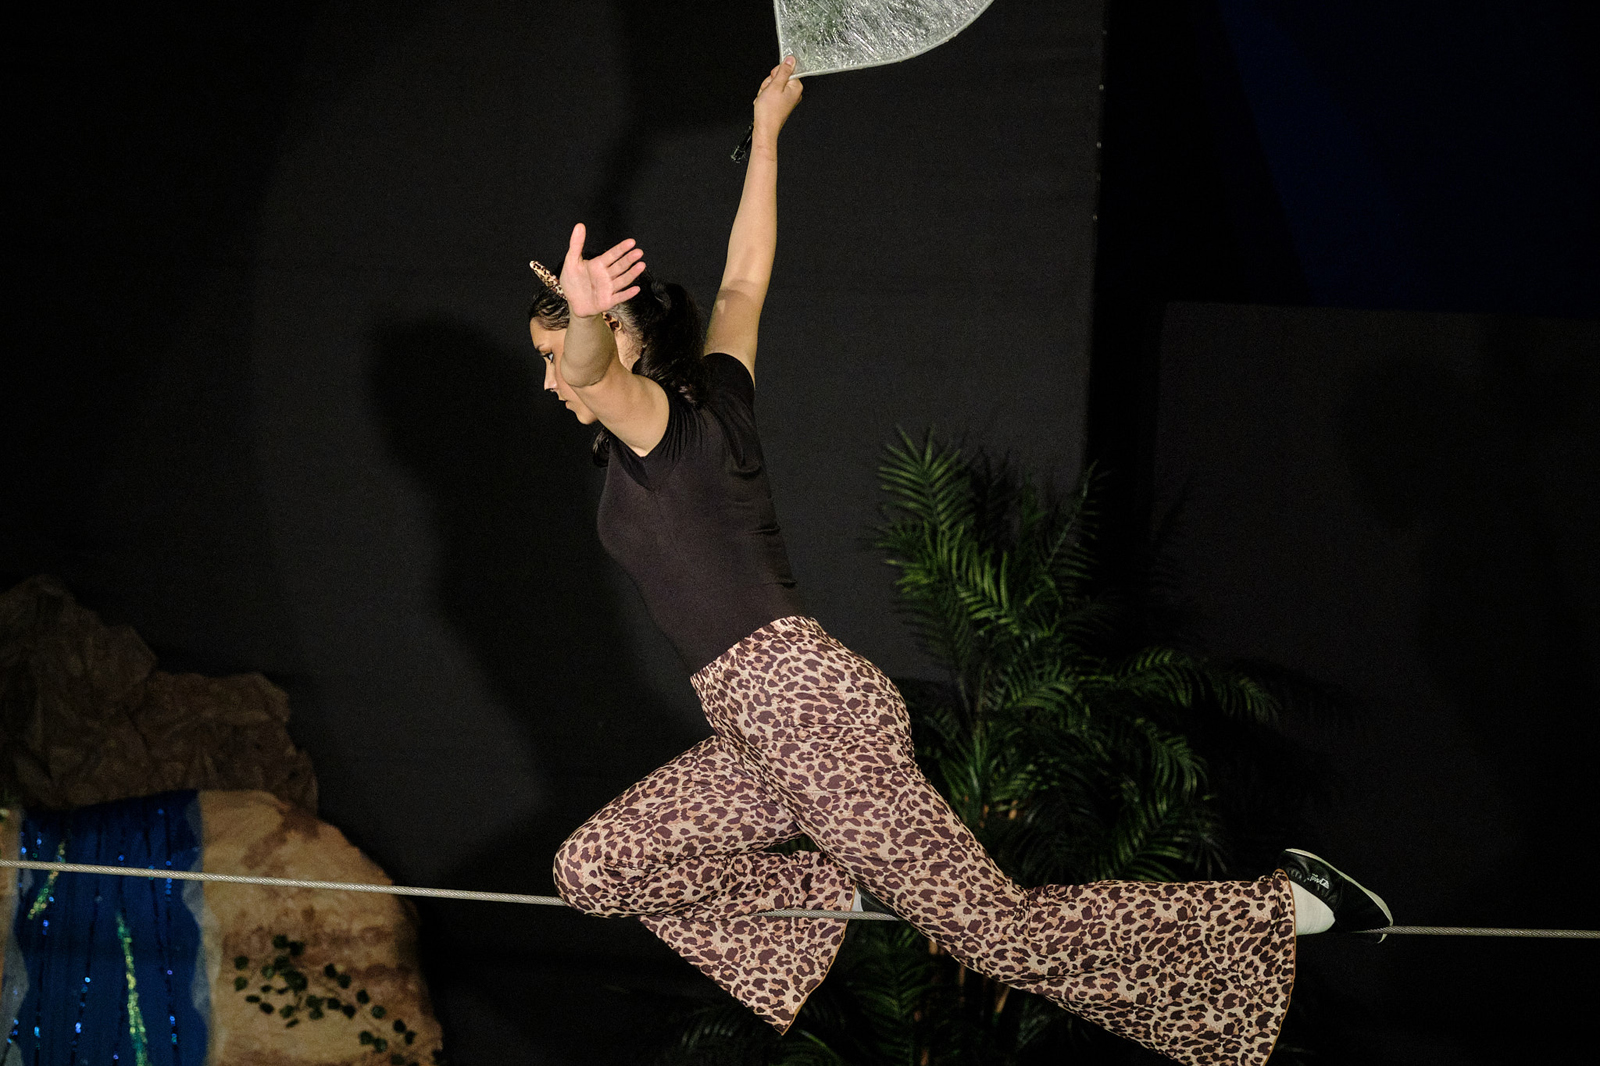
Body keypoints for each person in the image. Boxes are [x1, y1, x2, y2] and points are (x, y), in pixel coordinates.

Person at [527, 58, 1390, 1066]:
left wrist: (582, 322)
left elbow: (594, 369)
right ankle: (834, 882)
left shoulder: (664, 429)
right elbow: (744, 280)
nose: (549, 381)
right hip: (762, 730)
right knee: (594, 869)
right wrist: (766, 136)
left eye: (549, 356)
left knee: (999, 935)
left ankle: (1290, 903)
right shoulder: (718, 397)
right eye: (545, 358)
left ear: (622, 339)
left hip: (804, 711)